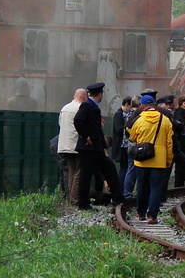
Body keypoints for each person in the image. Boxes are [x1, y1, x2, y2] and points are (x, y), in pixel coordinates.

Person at [73, 82, 124, 210]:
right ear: (100, 94)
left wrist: (103, 147)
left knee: (109, 169)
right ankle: (83, 204)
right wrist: (85, 136)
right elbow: (78, 120)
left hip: (96, 148)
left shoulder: (92, 106)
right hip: (88, 148)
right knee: (86, 175)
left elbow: (95, 128)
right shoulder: (87, 106)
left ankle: (117, 198)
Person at [126, 94, 173, 224]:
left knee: (141, 186)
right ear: (154, 105)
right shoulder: (165, 120)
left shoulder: (139, 120)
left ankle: (141, 213)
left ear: (142, 106)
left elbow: (131, 137)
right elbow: (169, 143)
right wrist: (169, 159)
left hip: (142, 159)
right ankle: (152, 216)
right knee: (156, 188)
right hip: (159, 160)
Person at [57, 88, 87, 204]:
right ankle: (75, 199)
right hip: (76, 144)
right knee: (78, 173)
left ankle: (71, 198)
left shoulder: (64, 108)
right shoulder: (80, 108)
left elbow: (60, 124)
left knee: (71, 172)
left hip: (65, 144)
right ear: (84, 97)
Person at [112, 96, 133, 187]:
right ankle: (121, 188)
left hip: (126, 145)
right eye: (130, 106)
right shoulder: (118, 114)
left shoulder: (128, 113)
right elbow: (118, 129)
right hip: (121, 145)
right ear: (126, 104)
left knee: (125, 168)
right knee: (123, 168)